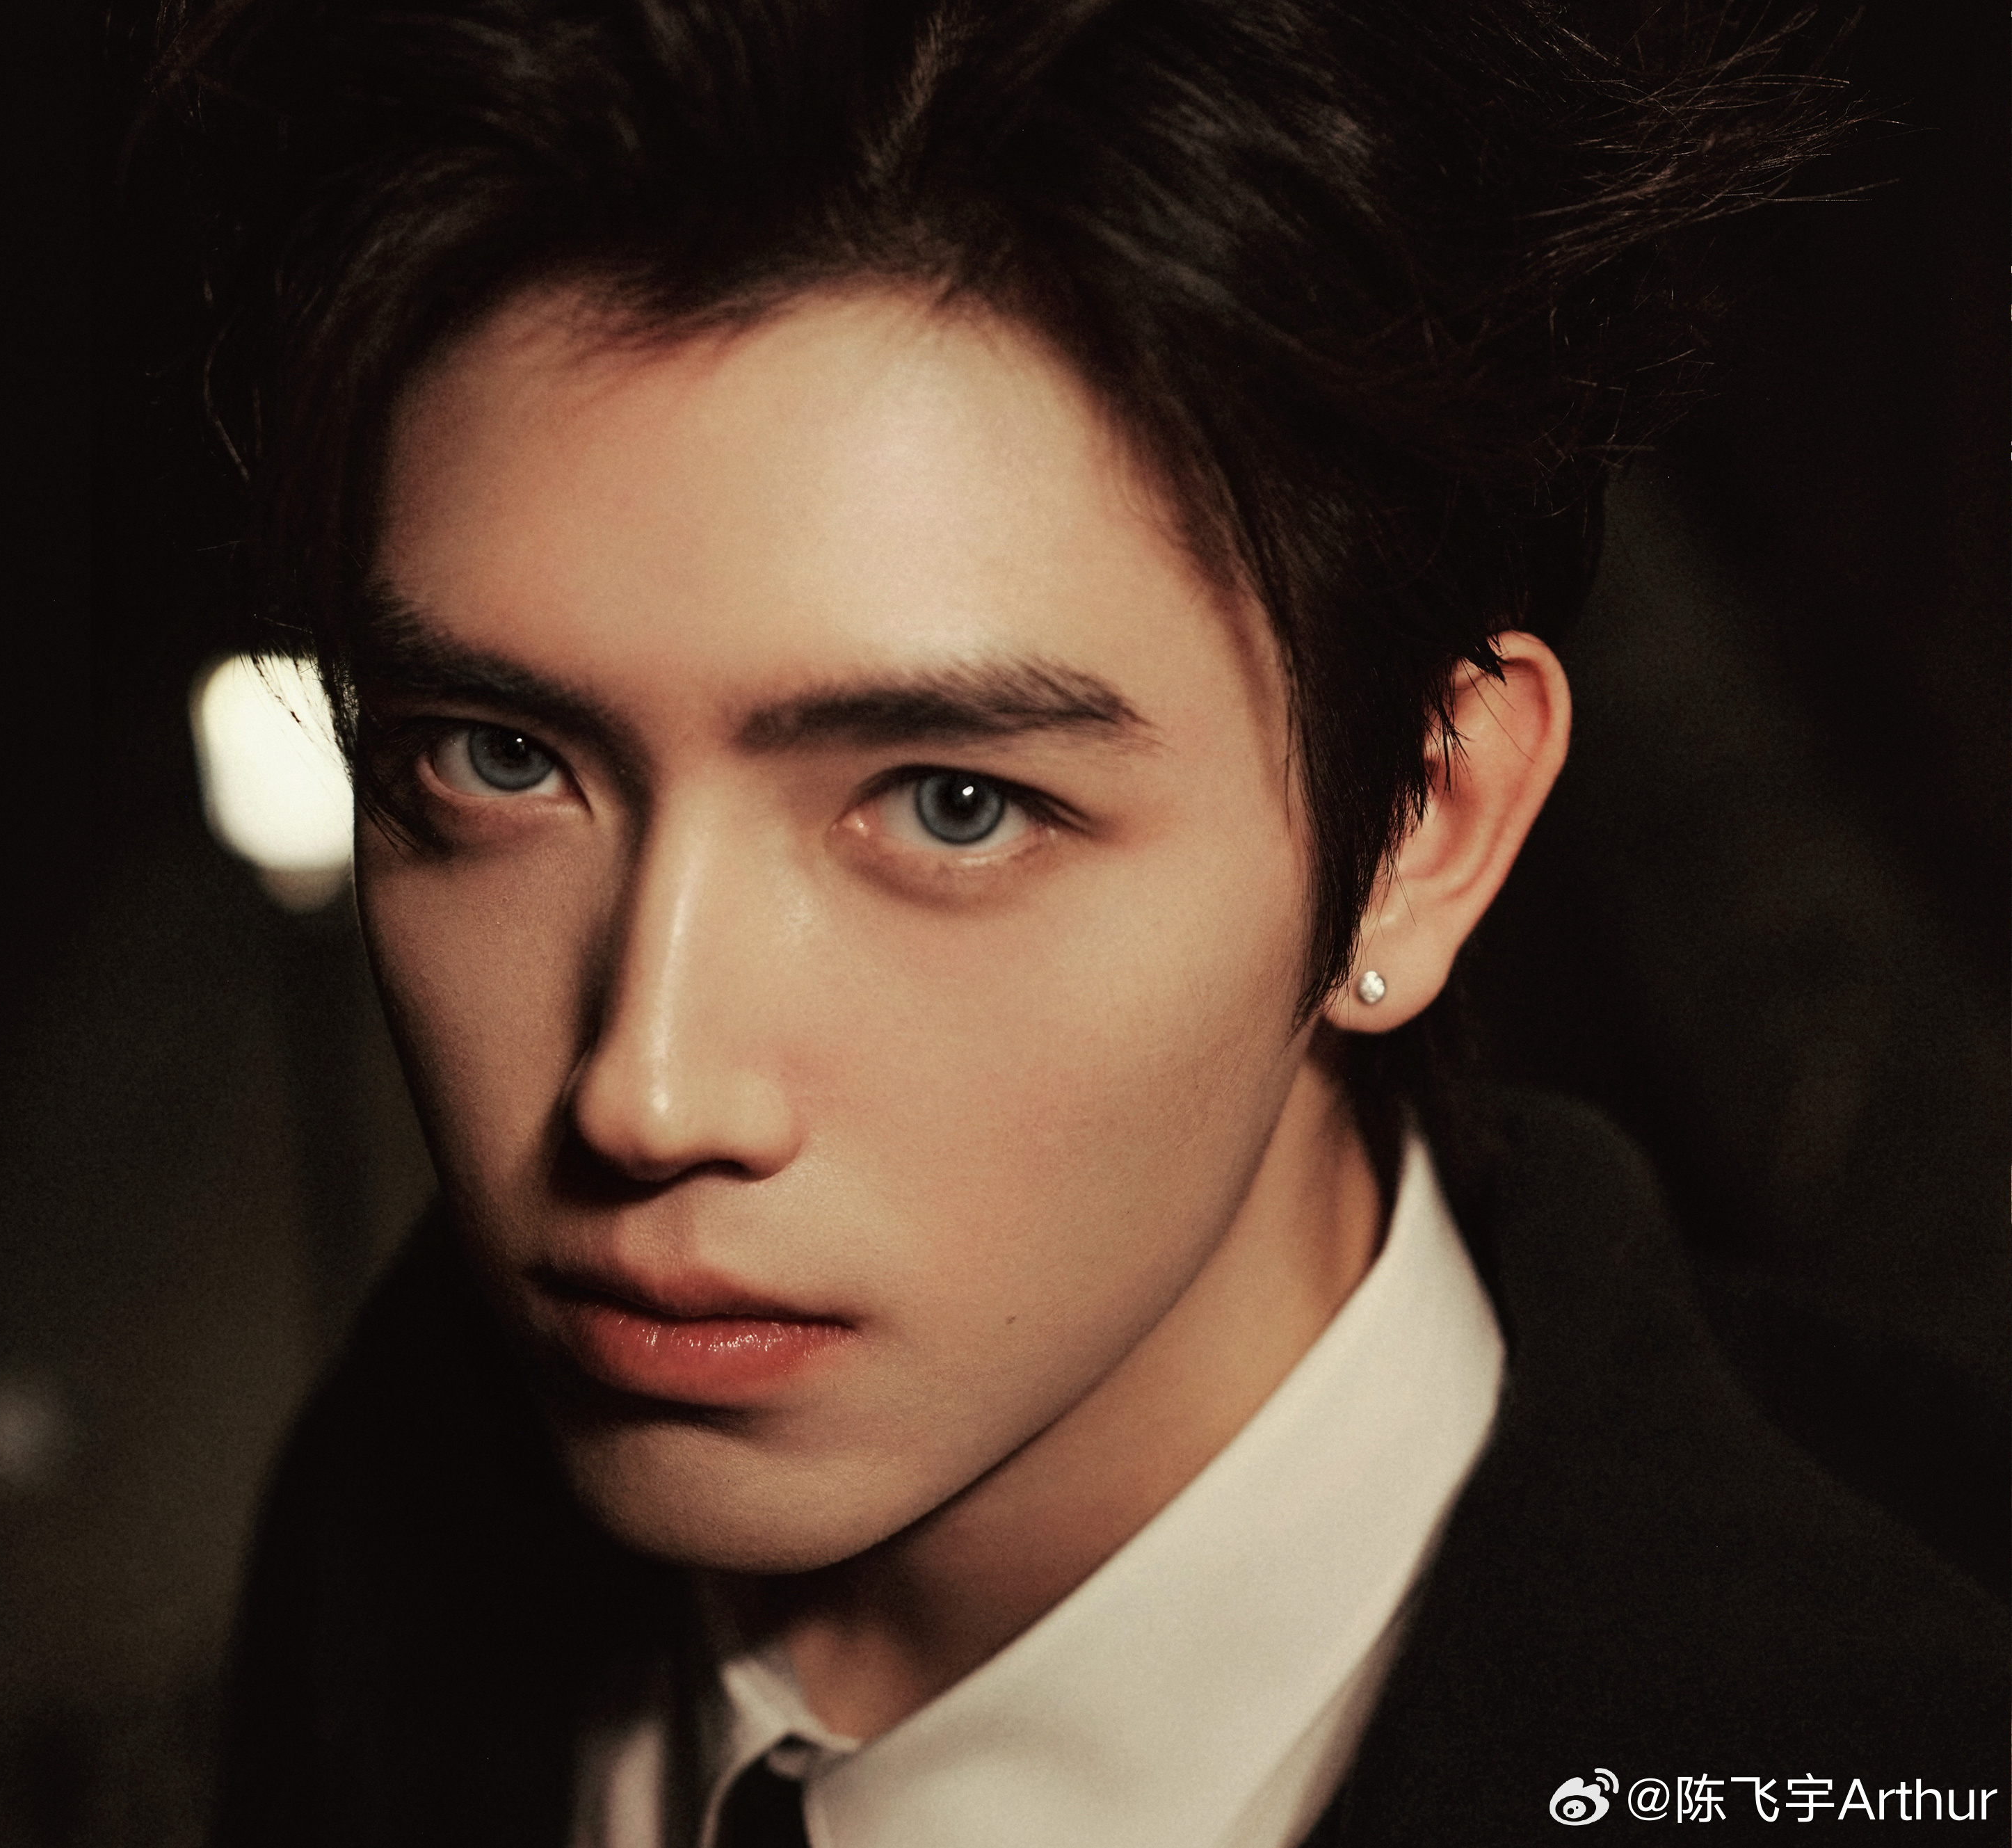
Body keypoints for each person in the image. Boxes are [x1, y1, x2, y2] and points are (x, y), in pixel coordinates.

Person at [158, 1, 2006, 1841]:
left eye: (951, 803)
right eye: (495, 756)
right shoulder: (404, 1481)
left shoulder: (1874, 1746)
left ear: (1421, 831)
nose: (646, 1094)